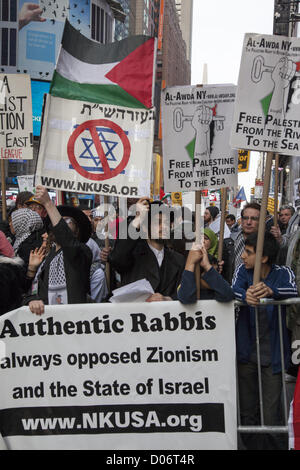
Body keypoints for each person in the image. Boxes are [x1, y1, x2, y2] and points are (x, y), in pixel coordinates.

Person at [232, 231, 298, 450]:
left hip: (273, 356)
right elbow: (234, 289)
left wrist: (272, 291)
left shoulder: (283, 272)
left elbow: (292, 290)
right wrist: (246, 296)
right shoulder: (243, 271)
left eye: (248, 253)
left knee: (272, 414)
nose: (242, 257)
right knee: (247, 412)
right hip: (246, 354)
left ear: (263, 257)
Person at [23, 186, 92, 315]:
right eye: (59, 221)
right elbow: (29, 293)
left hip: (75, 323)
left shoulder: (82, 251)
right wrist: (32, 271)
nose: (60, 224)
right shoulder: (48, 257)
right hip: (50, 324)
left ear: (77, 230)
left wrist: (48, 204)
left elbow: (67, 239)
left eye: (67, 221)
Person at [108, 198, 185, 301]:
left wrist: (166, 299)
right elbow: (117, 258)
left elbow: (184, 292)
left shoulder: (178, 260)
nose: (164, 227)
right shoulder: (131, 254)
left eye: (167, 222)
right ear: (144, 227)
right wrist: (138, 219)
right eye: (158, 222)